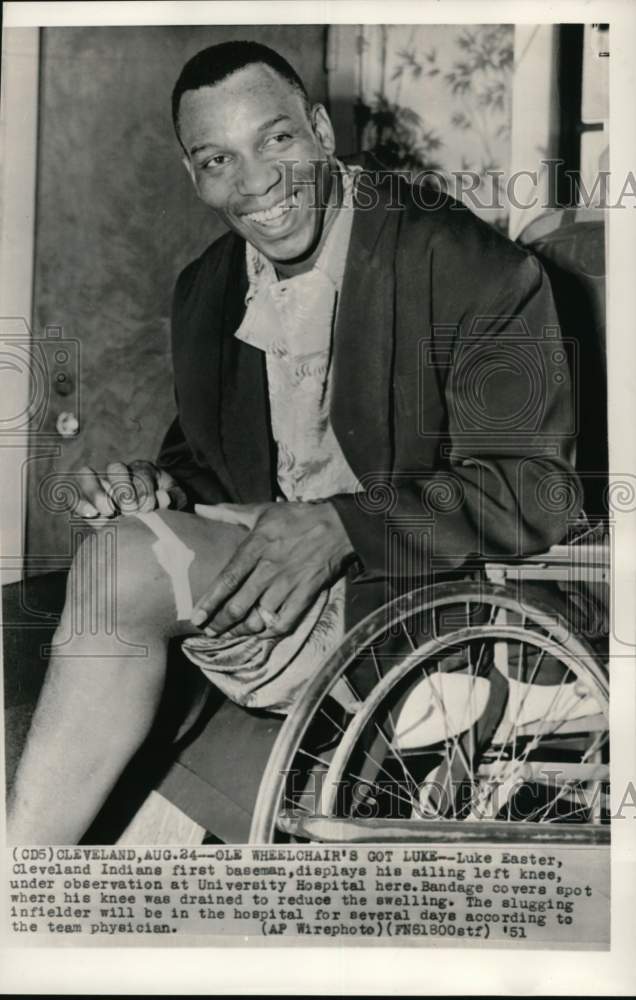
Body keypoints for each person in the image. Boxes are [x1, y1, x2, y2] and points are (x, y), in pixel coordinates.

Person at [7, 41, 578, 844]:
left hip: (412, 594)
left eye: (275, 140)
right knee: (32, 614)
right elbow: (204, 459)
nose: (256, 183)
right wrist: (159, 490)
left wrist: (343, 524)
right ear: (193, 175)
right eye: (218, 159)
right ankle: (30, 874)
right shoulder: (209, 287)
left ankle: (20, 879)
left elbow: (535, 490)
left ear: (320, 131)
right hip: (268, 588)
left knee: (118, 574)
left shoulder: (466, 264)